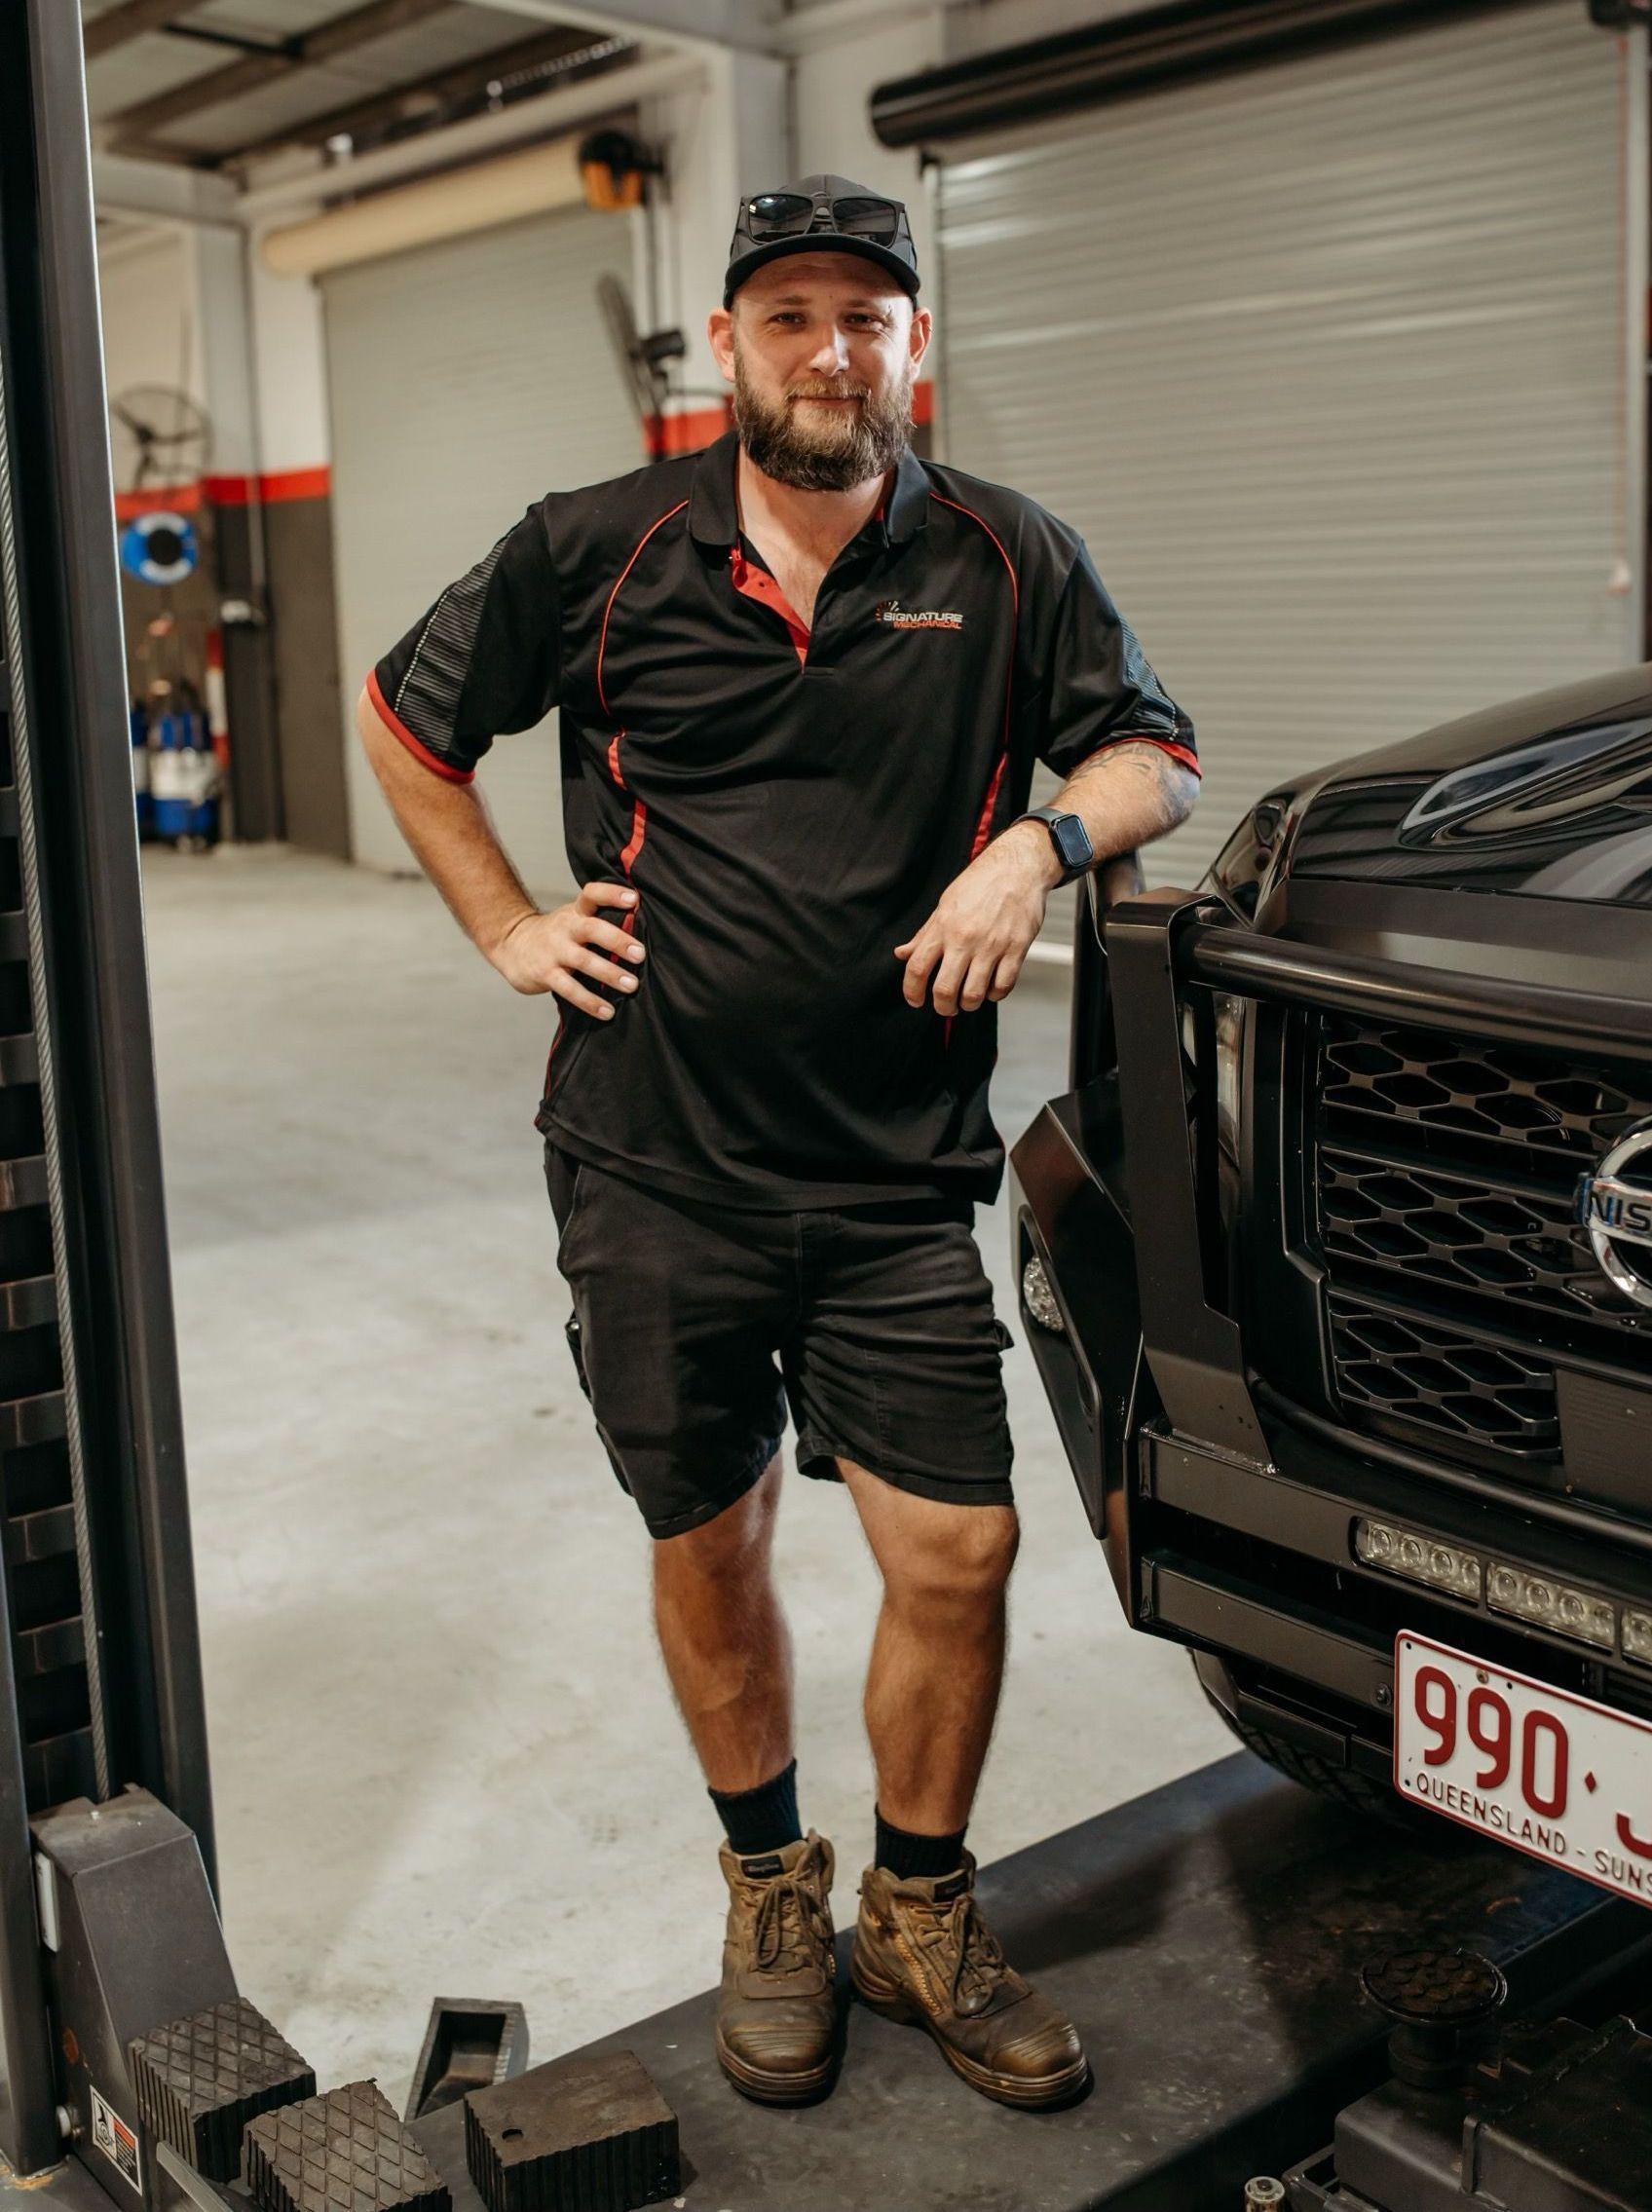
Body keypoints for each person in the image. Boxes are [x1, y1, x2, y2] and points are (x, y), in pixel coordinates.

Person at [357, 173, 1198, 2113]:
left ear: (915, 344)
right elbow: (411, 728)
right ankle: (769, 1888)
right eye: (790, 315)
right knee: (712, 1532)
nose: (831, 351)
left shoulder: (1007, 556)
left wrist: (1033, 844)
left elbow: (1150, 754)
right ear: (728, 344)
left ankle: (918, 1907)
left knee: (960, 1546)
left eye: (864, 317)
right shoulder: (594, 547)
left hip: (895, 1169)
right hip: (652, 1160)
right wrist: (506, 924)